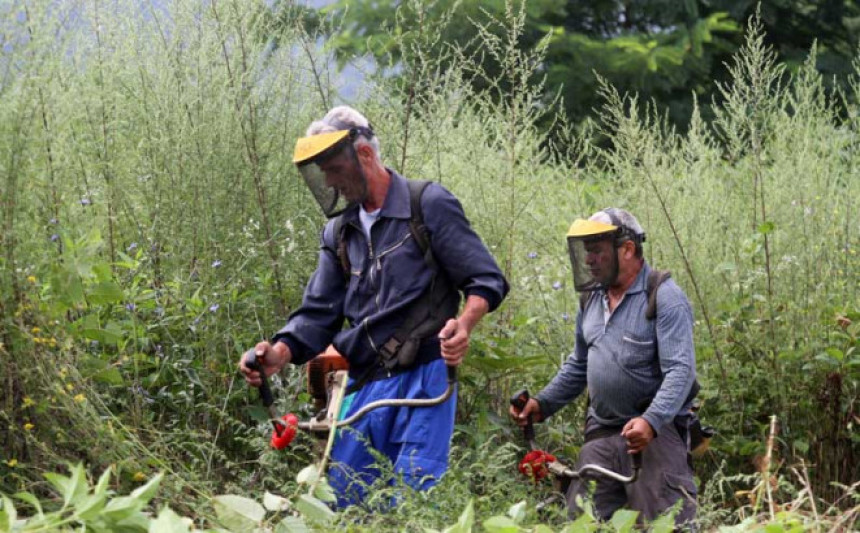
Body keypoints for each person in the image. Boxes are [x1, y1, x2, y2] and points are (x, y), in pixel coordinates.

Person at [239, 106, 508, 507]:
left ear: (364, 155)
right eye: (323, 172)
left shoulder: (426, 204)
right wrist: (278, 352)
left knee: (411, 503)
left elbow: (485, 279)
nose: (329, 181)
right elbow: (319, 312)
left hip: (425, 377)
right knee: (340, 502)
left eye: (333, 168)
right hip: (363, 383)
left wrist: (465, 323)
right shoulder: (338, 231)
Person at [509, 208, 697, 526]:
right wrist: (542, 404)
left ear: (626, 249)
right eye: (586, 251)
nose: (588, 260)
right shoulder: (591, 301)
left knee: (663, 524)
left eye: (596, 250)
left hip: (655, 434)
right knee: (579, 522)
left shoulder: (664, 297)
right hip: (602, 433)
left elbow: (681, 371)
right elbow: (580, 364)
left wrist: (650, 421)